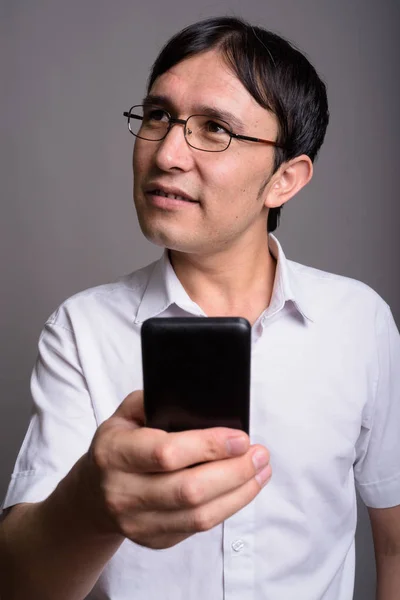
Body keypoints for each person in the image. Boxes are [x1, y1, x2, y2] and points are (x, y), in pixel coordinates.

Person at [1, 15, 399, 600]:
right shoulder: (80, 330)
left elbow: (393, 543)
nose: (166, 154)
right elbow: (18, 584)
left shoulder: (360, 322)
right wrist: (89, 504)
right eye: (158, 115)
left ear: (285, 179)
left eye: (216, 128)